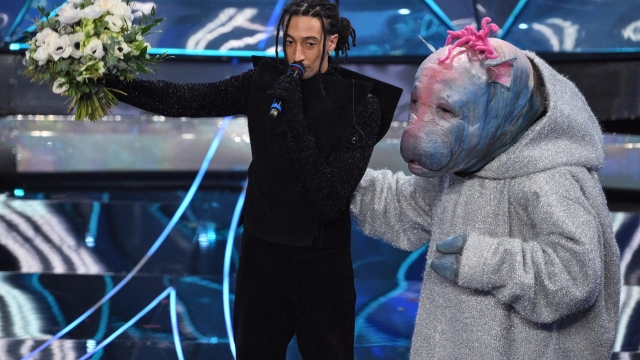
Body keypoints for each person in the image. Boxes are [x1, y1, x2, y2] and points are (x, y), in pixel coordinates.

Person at [105, 0, 402, 358]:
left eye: (309, 43)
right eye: (289, 41)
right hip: (262, 260)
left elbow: (328, 200)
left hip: (322, 268)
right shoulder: (263, 84)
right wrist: (111, 84)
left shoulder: (363, 105)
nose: (297, 54)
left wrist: (294, 119)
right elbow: (187, 100)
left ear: (332, 42)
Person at [350, 18, 620, 359]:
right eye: (417, 104)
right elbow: (409, 208)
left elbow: (575, 275)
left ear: (499, 97)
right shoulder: (471, 159)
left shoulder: (550, 178)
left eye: (446, 110)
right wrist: (347, 182)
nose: (416, 133)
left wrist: (482, 261)